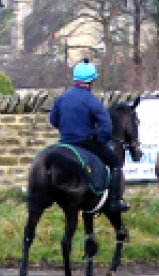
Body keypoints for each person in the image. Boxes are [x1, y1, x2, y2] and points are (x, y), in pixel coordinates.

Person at [49, 59, 128, 212]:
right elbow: (106, 126)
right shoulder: (91, 100)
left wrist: (67, 131)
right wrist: (100, 140)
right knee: (116, 162)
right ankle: (115, 201)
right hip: (85, 142)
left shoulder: (61, 98)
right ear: (91, 81)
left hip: (64, 142)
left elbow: (53, 120)